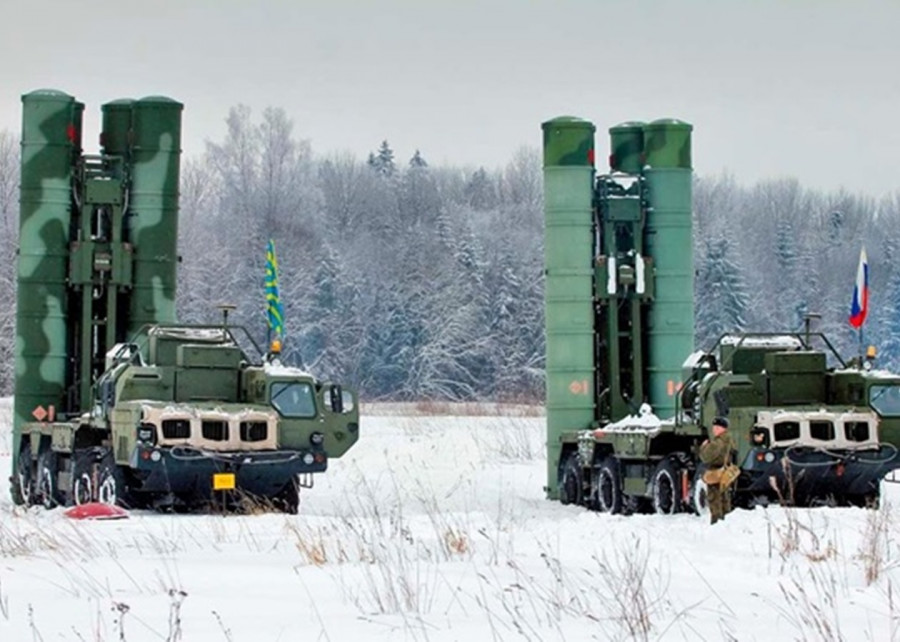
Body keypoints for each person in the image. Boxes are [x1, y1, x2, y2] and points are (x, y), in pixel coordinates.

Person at [699, 416, 736, 524]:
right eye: (714, 427)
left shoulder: (717, 442)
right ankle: (725, 522)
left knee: (714, 499)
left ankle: (716, 523)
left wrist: (703, 447)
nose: (714, 430)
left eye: (717, 427)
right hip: (725, 473)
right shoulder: (729, 439)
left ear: (723, 429)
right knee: (724, 498)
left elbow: (705, 457)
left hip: (715, 473)